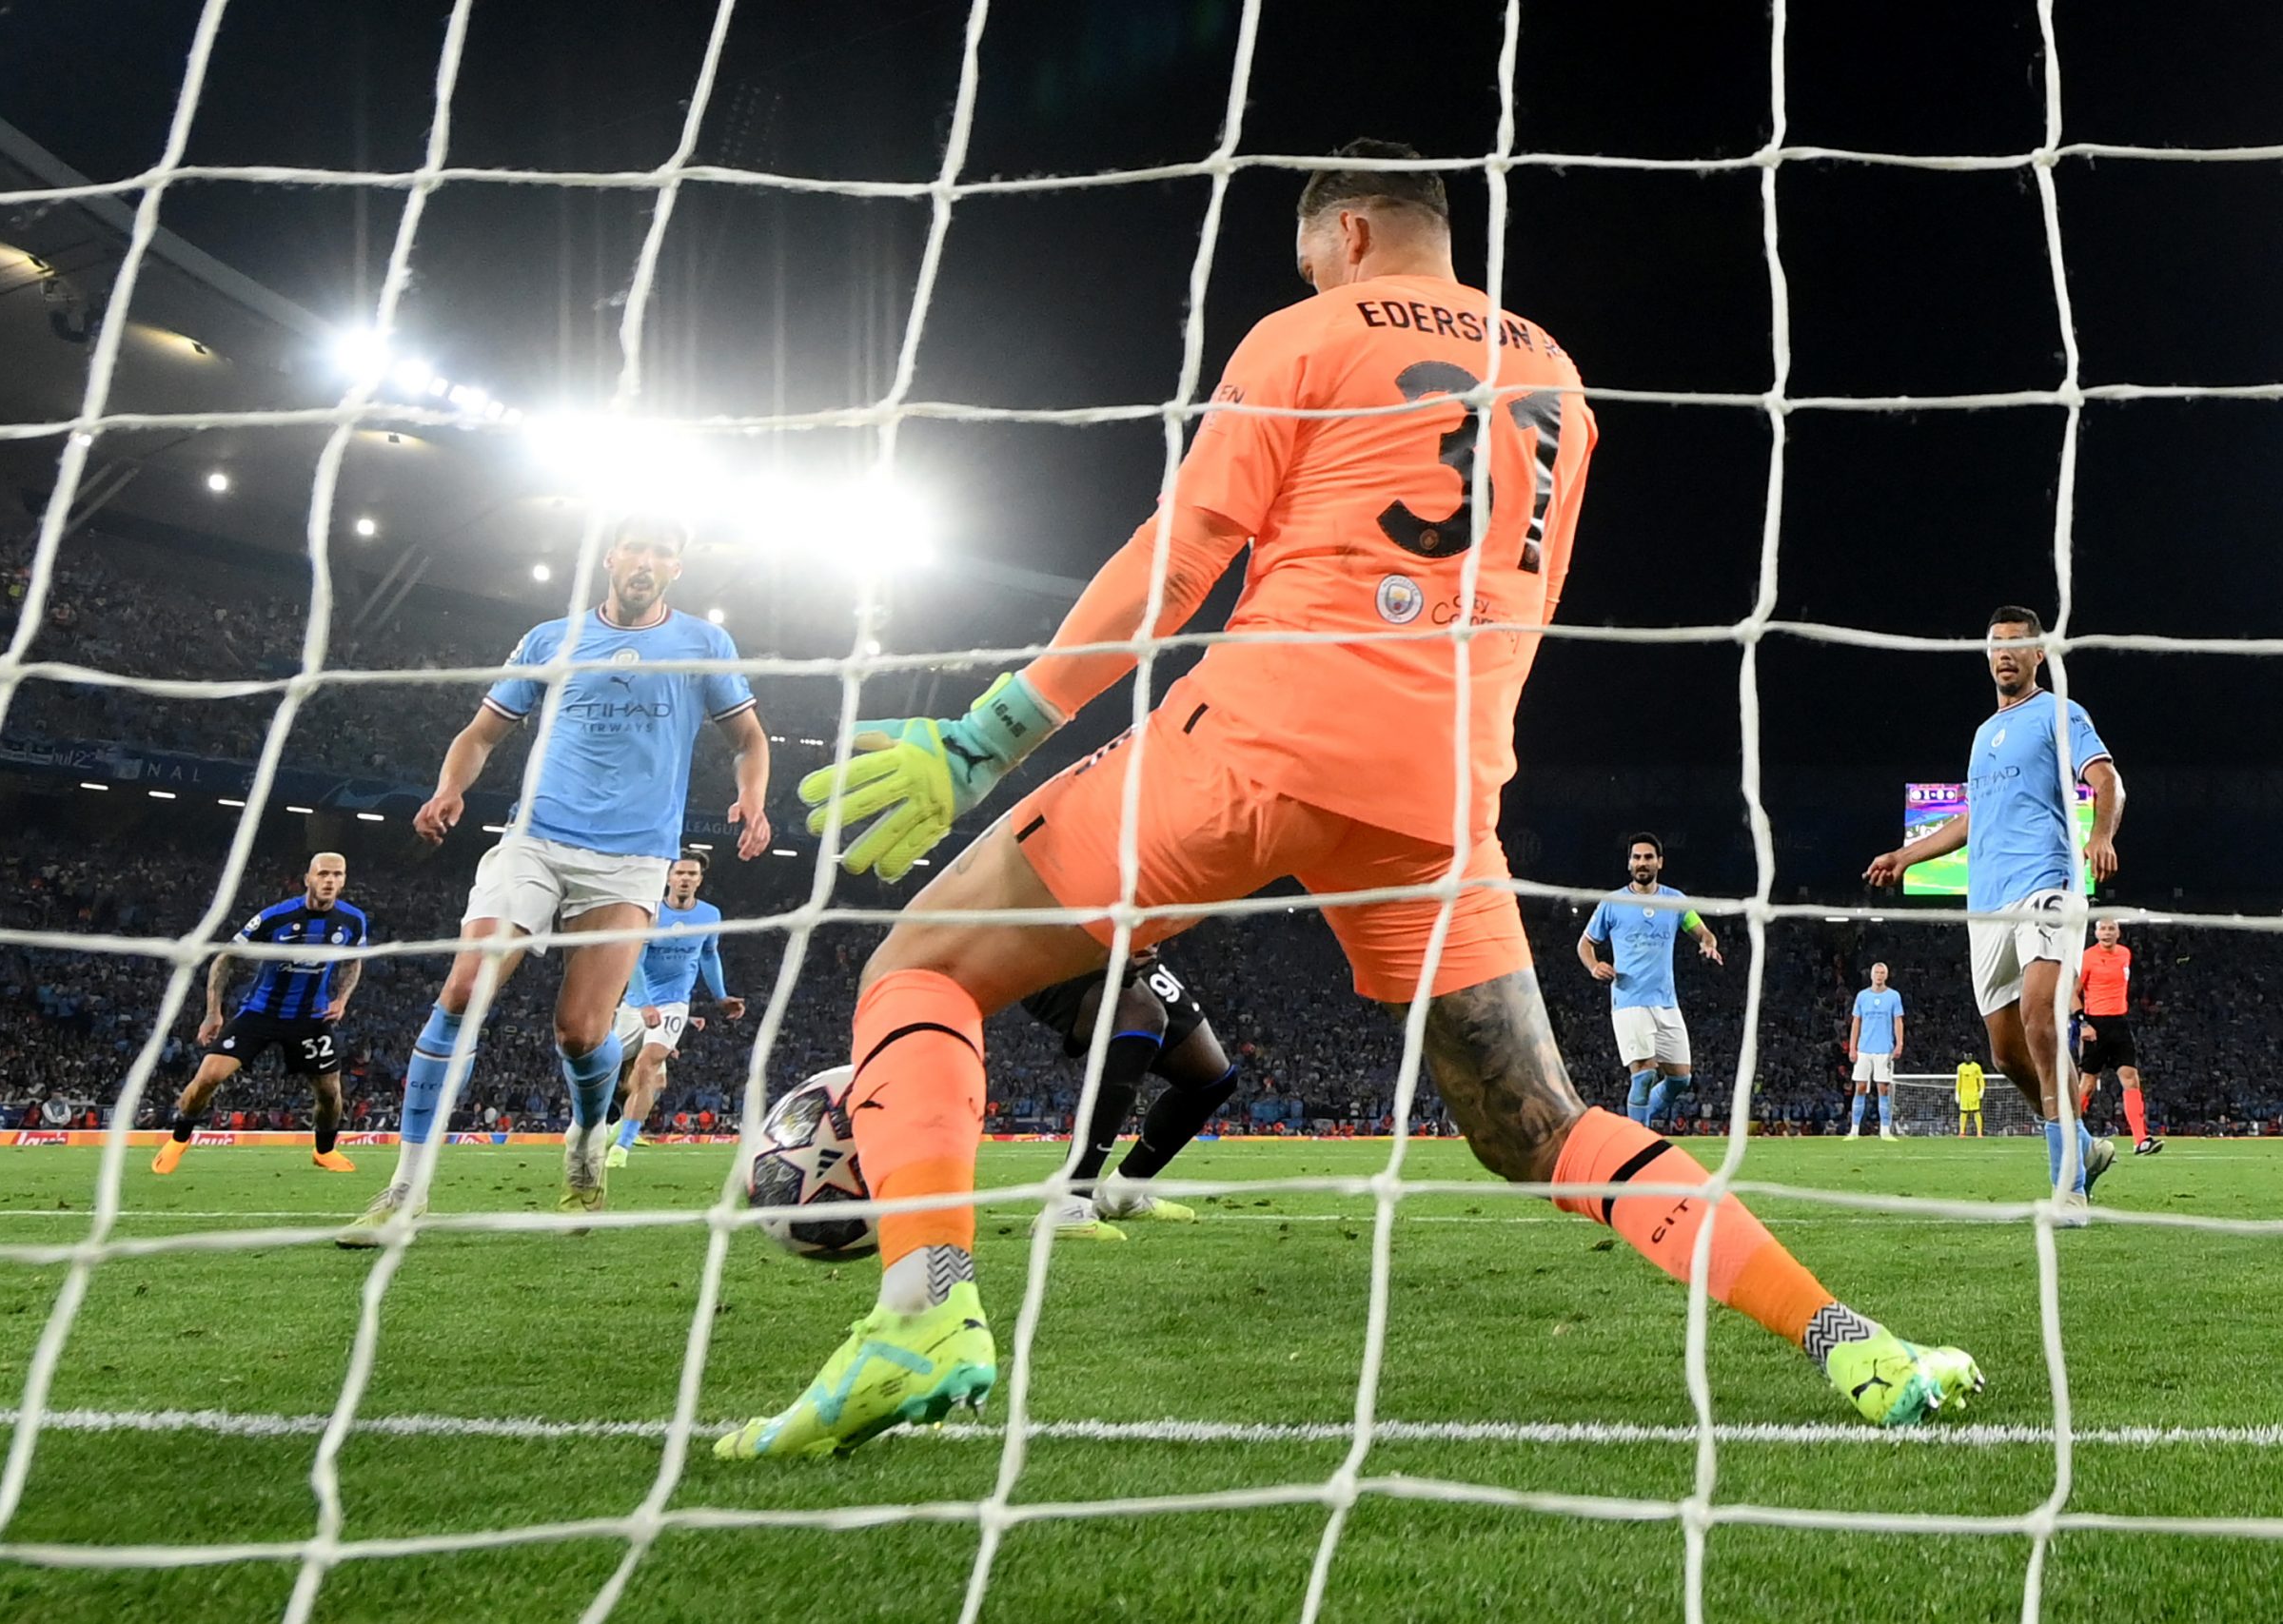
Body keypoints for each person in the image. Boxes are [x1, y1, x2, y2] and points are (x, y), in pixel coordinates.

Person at [717, 140, 1980, 1461]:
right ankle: (1851, 1341)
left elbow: (1187, 547)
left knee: (921, 965)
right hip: (1436, 797)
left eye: (1311, 258)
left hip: (1255, 742)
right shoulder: (1558, 379)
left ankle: (924, 1306)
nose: (1311, 277)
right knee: (1540, 1126)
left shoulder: (1308, 331)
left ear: (1354, 233)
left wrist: (995, 729)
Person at [336, 519, 771, 1246]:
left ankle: (584, 1142)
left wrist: (752, 798)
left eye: (664, 551)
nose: (648, 561)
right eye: (637, 546)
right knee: (465, 988)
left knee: (580, 1031)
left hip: (632, 860)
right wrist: (450, 790)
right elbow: (481, 732)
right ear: (611, 557)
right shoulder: (549, 639)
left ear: (677, 567)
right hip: (534, 839)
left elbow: (750, 737)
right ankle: (404, 1191)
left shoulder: (703, 643)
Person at [1866, 605, 2126, 1203]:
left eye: (2018, 644)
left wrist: (2101, 834)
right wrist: (1909, 856)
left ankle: (2069, 1185)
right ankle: (2081, 1140)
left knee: (2041, 1018)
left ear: (2039, 654)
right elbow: (1972, 816)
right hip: (1988, 903)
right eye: (1996, 645)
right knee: (2007, 1054)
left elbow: (2106, 778)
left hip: (2048, 882)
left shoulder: (2060, 713)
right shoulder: (1984, 736)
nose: (2005, 653)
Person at [152, 852, 367, 1174]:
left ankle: (324, 1151)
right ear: (307, 879)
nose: (330, 881)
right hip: (260, 1014)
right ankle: (178, 1140)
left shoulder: (352, 920)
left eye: (337, 875)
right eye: (323, 874)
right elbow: (226, 957)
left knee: (329, 1091)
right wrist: (214, 1012)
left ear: (344, 880)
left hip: (310, 1019)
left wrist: (342, 999)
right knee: (209, 1076)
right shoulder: (276, 917)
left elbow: (354, 960)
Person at [1016, 948, 1240, 1239]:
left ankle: (1123, 1194)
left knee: (1212, 1079)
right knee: (1141, 1014)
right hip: (1051, 941)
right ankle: (1068, 1203)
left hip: (1124, 940)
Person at [1575, 832, 1722, 1130]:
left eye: (1648, 857)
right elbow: (1585, 944)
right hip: (1629, 1000)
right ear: (1629, 863)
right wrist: (1594, 966)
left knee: (1680, 1080)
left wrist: (1707, 942)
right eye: (1637, 857)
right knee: (1643, 1075)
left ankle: (1630, 1124)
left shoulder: (1675, 901)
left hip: (1666, 1002)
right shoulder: (1613, 903)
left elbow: (1703, 932)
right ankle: (1636, 1141)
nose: (1642, 863)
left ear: (1660, 862)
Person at [607, 851, 743, 1169]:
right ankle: (608, 1126)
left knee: (647, 1065)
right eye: (680, 873)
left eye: (691, 874)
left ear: (699, 880)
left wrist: (720, 997)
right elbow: (634, 960)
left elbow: (709, 954)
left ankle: (622, 1147)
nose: (685, 879)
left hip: (674, 1003)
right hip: (636, 1002)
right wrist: (644, 1004)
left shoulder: (710, 915)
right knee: (604, 1068)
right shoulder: (651, 912)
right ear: (668, 876)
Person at [2076, 919, 2160, 1155]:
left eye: (2111, 929)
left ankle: (2141, 1140)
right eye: (2103, 929)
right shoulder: (2087, 957)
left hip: (2119, 1023)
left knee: (2130, 1077)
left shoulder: (2125, 954)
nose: (2107, 933)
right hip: (2095, 1024)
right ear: (2095, 932)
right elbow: (2073, 992)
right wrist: (2083, 1023)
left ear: (2118, 933)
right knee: (2088, 1084)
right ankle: (2066, 1131)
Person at [1845, 962, 1905, 1141]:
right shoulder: (1862, 996)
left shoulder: (1894, 996)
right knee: (1860, 1087)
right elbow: (1856, 1022)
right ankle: (1854, 1130)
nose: (1879, 975)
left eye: (1882, 973)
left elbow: (1898, 1021)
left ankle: (1885, 1130)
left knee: (1883, 1089)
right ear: (1871, 975)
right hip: (1864, 1049)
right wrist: (1853, 1047)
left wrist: (1899, 1043)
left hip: (1884, 1049)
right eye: (1876, 972)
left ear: (1886, 976)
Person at [1956, 1054, 1988, 1138]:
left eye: (1969, 1056)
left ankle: (1979, 1133)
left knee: (1976, 1112)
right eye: (1966, 1056)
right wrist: (1957, 1093)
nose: (1968, 1058)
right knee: (1963, 1112)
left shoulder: (1976, 1067)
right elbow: (1959, 1081)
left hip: (1974, 1093)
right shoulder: (1960, 1067)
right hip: (1964, 1093)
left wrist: (1982, 1090)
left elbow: (1981, 1079)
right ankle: (1962, 1132)